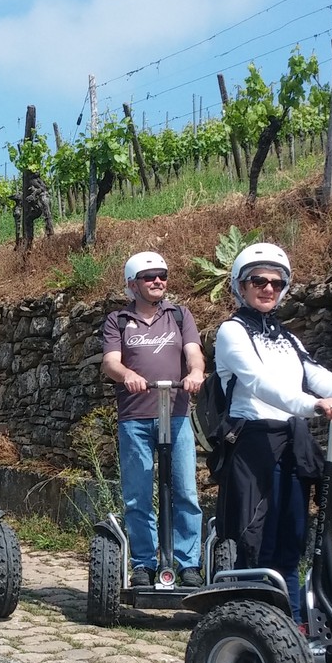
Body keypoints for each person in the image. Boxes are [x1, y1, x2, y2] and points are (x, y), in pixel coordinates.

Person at [212, 242, 332, 621]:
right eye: (258, 280)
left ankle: (294, 625)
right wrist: (312, 405)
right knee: (257, 543)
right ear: (240, 286)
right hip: (253, 445)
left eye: (277, 284)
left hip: (292, 443)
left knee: (292, 543)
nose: (268, 288)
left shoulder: (286, 337)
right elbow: (259, 382)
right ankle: (257, 624)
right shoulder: (231, 332)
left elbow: (318, 375)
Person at [101, 251, 206, 587]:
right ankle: (144, 564)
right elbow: (110, 363)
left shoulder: (179, 315)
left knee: (186, 491)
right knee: (138, 495)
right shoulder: (117, 320)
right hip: (135, 417)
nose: (158, 281)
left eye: (162, 275)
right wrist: (126, 374)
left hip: (176, 416)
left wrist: (196, 373)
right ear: (133, 284)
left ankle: (188, 563)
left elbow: (194, 353)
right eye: (149, 277)